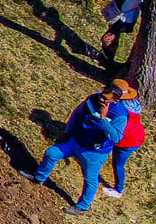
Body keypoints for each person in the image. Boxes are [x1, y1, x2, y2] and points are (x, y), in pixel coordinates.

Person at [18, 86, 127, 214]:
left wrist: (103, 119)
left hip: (94, 152)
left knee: (90, 178)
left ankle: (83, 206)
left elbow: (116, 137)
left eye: (105, 99)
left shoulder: (120, 115)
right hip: (75, 141)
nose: (101, 99)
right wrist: (68, 132)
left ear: (115, 101)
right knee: (51, 153)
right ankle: (38, 177)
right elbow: (77, 115)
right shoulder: (92, 99)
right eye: (101, 95)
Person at [100, 0, 147, 66]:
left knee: (113, 35)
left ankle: (107, 56)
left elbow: (140, 1)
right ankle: (106, 56)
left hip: (124, 16)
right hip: (117, 12)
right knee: (111, 35)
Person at [105, 85, 146, 199]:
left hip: (127, 140)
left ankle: (118, 190)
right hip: (137, 136)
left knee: (118, 165)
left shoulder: (119, 108)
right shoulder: (135, 104)